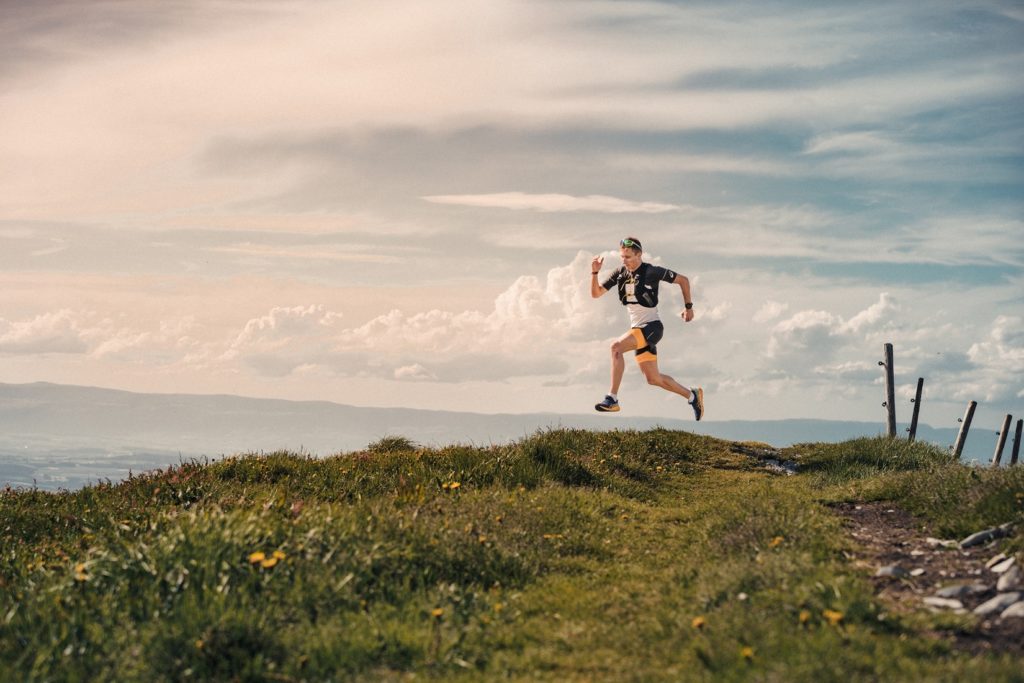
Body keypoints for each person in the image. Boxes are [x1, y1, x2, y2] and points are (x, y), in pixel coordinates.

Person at [590, 237, 704, 420]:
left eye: (628, 256)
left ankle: (612, 399)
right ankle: (693, 396)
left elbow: (684, 280)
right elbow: (596, 294)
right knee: (653, 379)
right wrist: (594, 273)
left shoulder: (651, 271)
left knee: (615, 347)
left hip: (652, 327)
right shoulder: (619, 273)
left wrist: (688, 307)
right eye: (622, 256)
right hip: (638, 330)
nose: (624, 260)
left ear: (639, 255)